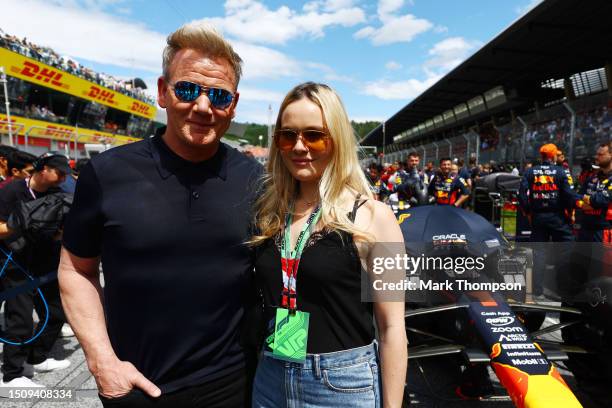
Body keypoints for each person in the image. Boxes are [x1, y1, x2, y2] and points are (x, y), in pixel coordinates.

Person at [58, 23, 261, 408]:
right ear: (163, 92)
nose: (203, 106)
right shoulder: (107, 172)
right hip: (137, 387)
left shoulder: (255, 178)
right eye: (187, 89)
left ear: (232, 106)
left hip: (236, 384)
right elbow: (75, 269)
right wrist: (102, 362)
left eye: (218, 95)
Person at [250, 82, 407, 407]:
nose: (299, 146)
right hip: (271, 378)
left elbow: (392, 328)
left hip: (342, 385)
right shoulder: (268, 213)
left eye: (314, 135)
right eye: (288, 135)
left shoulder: (377, 218)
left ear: (337, 140)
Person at [0, 153, 72, 393]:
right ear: (43, 169)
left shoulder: (56, 196)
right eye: (59, 173)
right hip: (16, 263)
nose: (62, 179)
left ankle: (35, 358)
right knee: (20, 319)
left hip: (45, 261)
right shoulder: (12, 191)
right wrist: (17, 225)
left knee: (57, 312)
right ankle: (11, 375)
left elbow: (57, 230)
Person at [518, 143, 578, 296]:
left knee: (538, 253)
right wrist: (571, 212)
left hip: (538, 216)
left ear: (542, 156)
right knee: (564, 250)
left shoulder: (530, 171)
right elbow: (568, 195)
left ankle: (536, 290)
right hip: (557, 217)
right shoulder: (560, 171)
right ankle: (562, 288)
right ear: (553, 156)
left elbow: (522, 194)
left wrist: (528, 212)